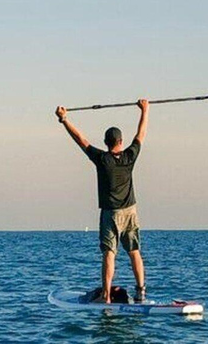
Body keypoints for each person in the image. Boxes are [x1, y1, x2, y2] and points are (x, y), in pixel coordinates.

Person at [55, 99, 149, 304]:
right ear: (120, 142)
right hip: (131, 211)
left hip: (111, 213)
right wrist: (145, 110)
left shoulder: (102, 159)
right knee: (134, 252)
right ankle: (141, 292)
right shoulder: (129, 156)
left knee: (109, 253)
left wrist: (64, 120)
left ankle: (106, 297)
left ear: (106, 143)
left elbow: (80, 139)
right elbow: (141, 134)